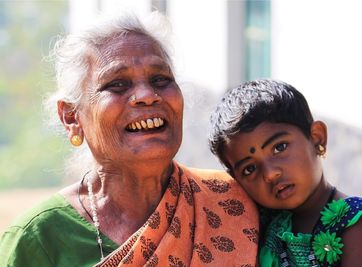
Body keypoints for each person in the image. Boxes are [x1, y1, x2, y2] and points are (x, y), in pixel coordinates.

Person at [0, 11, 260, 266]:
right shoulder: (39, 238)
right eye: (117, 84)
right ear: (71, 117)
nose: (147, 95)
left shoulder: (232, 200)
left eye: (161, 79)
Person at [208, 79, 362, 267]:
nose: (270, 174)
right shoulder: (258, 222)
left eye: (279, 147)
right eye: (249, 169)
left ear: (317, 138)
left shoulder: (355, 221)